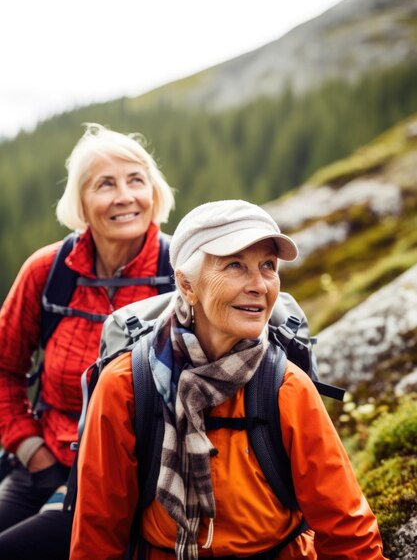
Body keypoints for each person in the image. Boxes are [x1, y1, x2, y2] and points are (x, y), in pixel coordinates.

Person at [69, 199, 388, 560]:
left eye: (268, 266)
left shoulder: (285, 387)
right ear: (187, 286)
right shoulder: (127, 385)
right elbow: (97, 538)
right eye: (235, 265)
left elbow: (348, 533)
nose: (259, 285)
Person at [0, 123, 175, 560]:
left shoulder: (180, 274)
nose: (124, 196)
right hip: (45, 461)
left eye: (136, 180)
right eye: (105, 184)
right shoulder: (49, 271)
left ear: (154, 193)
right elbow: (4, 368)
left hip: (131, 480)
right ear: (80, 202)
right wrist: (30, 448)